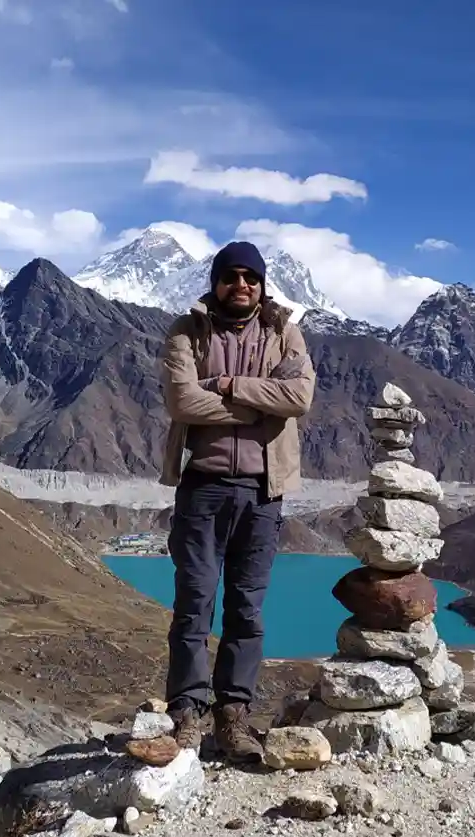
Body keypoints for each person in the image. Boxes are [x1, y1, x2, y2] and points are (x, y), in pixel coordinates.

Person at [157, 240, 316, 761]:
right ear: (216, 281)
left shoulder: (284, 333)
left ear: (262, 284)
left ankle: (234, 714)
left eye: (251, 277)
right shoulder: (186, 332)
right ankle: (185, 712)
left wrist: (225, 386)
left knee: (246, 609)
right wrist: (255, 406)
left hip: (263, 492)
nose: (241, 285)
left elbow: (298, 398)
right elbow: (182, 400)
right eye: (232, 276)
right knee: (194, 603)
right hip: (202, 488)